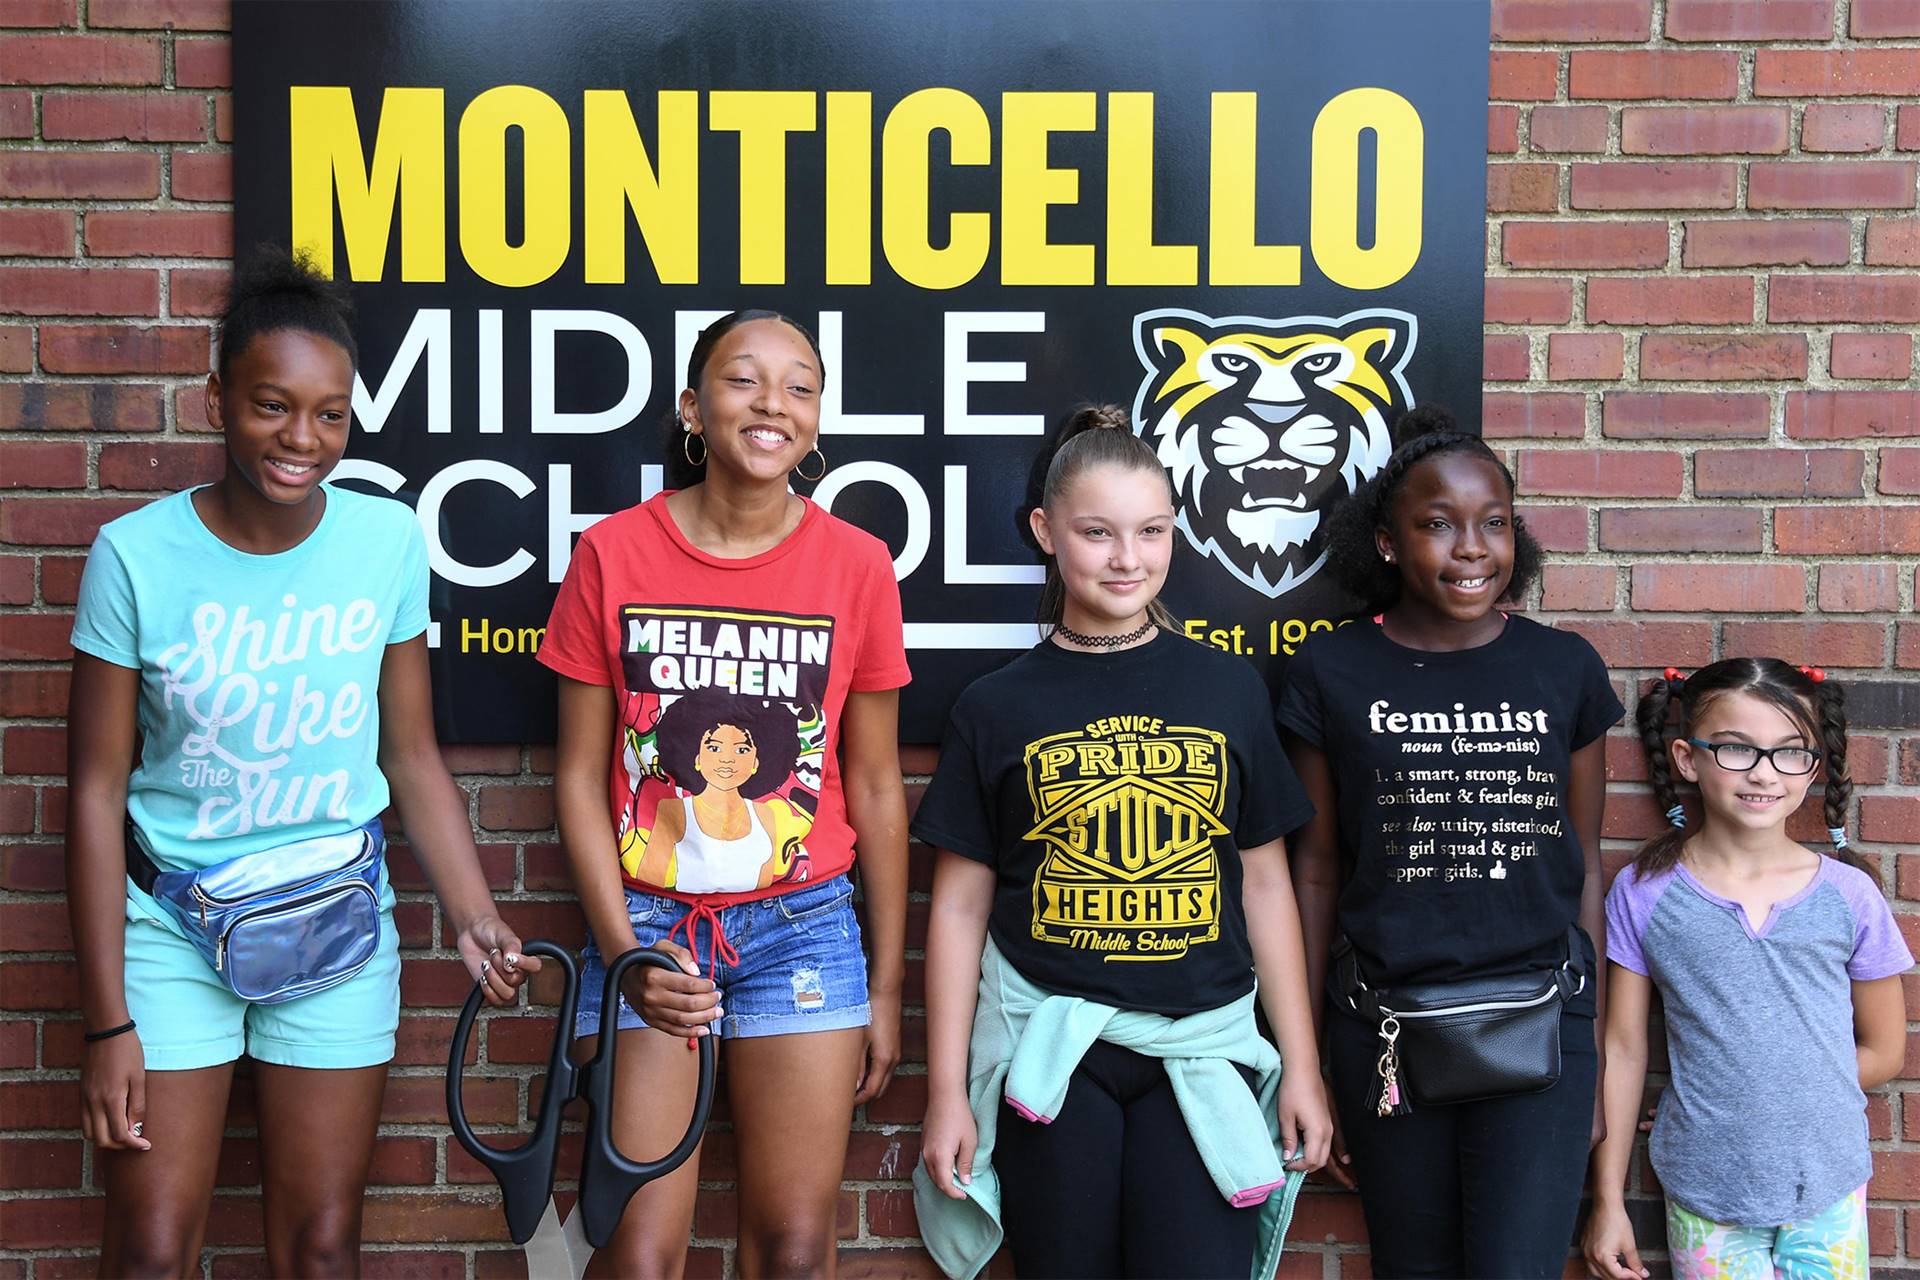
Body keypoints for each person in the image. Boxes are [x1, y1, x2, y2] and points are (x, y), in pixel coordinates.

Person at [65, 248, 535, 1277]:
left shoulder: (385, 540)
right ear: (217, 399)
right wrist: (108, 1022)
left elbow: (409, 752)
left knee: (322, 1248)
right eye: (273, 406)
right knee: (147, 1249)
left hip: (335, 924)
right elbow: (96, 793)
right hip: (169, 931)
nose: (302, 439)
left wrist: (472, 913)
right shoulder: (135, 555)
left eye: (330, 414)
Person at [912, 406, 1332, 1280]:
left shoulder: (1225, 689)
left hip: (1204, 1044)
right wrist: (947, 1090)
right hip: (1053, 1050)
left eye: (1151, 532)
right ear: (1046, 531)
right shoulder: (998, 704)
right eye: (1097, 533)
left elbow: (1264, 885)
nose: (1128, 558)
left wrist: (1301, 1065)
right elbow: (957, 907)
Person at [539, 309, 910, 1278]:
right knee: (638, 1252)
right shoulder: (613, 554)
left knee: (793, 1251)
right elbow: (578, 775)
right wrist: (623, 954)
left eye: (799, 384)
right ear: (693, 408)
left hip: (805, 925)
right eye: (744, 379)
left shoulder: (857, 564)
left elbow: (873, 781)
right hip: (650, 925)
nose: (773, 402)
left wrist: (887, 980)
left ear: (818, 419)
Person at [1277, 404, 1621, 1279]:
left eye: (1494, 524)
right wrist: (1310, 1058)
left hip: (1540, 1026)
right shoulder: (1332, 669)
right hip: (1385, 1028)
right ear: (1387, 544)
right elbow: (1315, 875)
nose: (1471, 548)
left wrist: (1587, 1056)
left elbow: (1580, 866)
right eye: (1437, 525)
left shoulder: (1565, 668)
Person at [1584, 660, 1908, 1280]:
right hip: (1705, 1189)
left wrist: (1756, 1096)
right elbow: (1623, 1051)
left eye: (1789, 753)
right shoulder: (1644, 892)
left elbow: (1885, 1050)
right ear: (1687, 758)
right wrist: (1608, 1202)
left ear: (1813, 767)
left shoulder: (1849, 895)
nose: (1763, 772)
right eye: (1736, 749)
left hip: (1828, 1186)